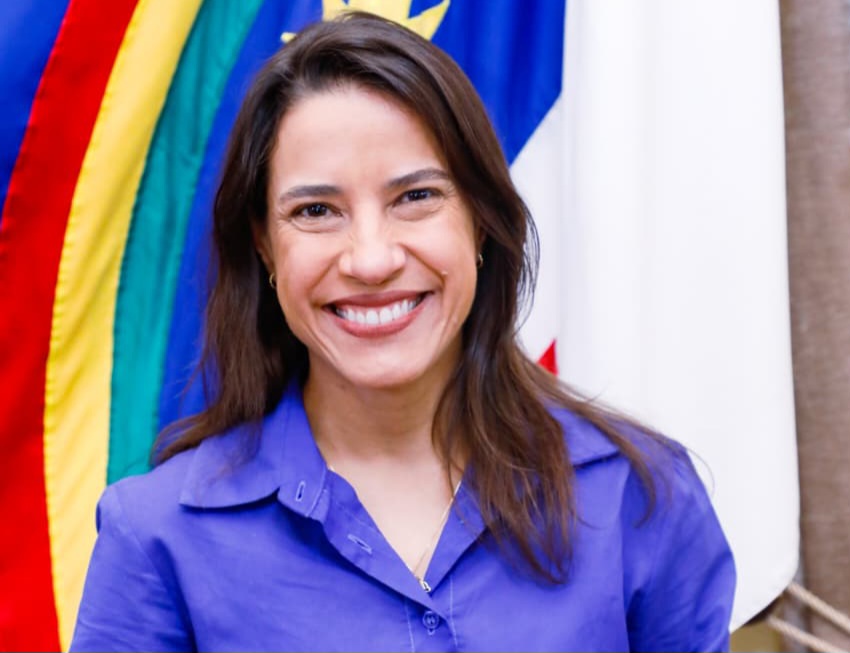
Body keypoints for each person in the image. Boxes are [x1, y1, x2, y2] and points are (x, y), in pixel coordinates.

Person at [71, 11, 735, 652]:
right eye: (316, 210)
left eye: (416, 197)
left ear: (480, 221)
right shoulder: (156, 539)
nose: (371, 259)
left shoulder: (640, 497)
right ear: (266, 247)